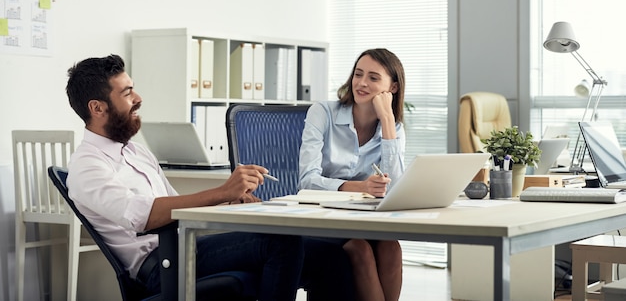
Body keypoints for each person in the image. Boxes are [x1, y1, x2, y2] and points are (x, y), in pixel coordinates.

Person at [65, 54, 355, 301]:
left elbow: (176, 207)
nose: (138, 99)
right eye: (127, 93)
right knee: (281, 243)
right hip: (160, 267)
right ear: (97, 107)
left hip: (188, 248)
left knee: (329, 253)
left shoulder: (137, 152)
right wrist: (223, 191)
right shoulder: (87, 167)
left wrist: (230, 202)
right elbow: (144, 217)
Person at [299, 48, 406, 301]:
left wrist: (388, 122)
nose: (362, 83)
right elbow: (307, 180)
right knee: (359, 249)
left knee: (391, 247)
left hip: (365, 221)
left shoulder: (394, 128)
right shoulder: (322, 113)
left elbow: (396, 190)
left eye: (373, 78)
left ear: (392, 88)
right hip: (321, 220)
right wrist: (361, 187)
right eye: (358, 74)